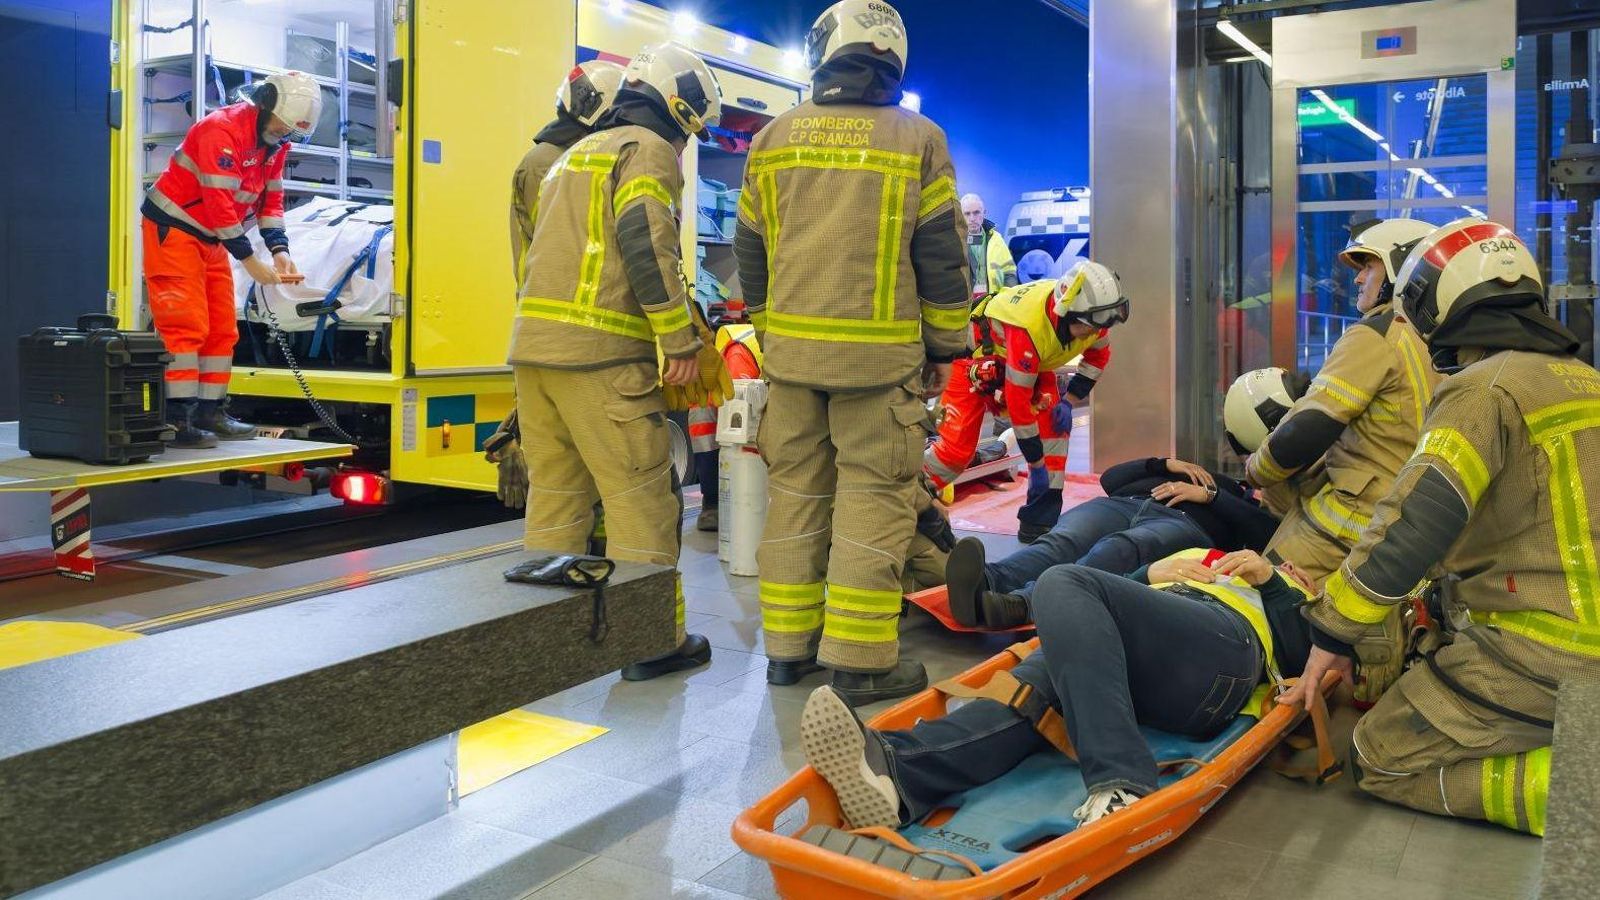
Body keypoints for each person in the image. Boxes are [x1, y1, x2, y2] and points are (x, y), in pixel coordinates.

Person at [1285, 219, 1600, 836]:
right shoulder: (1587, 380)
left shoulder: (1482, 390)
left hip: (1545, 658)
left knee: (1378, 756)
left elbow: (1413, 524)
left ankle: (1576, 796)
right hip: (1574, 648)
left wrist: (1332, 634)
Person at [735, 0, 972, 703]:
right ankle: (862, 660)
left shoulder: (773, 138)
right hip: (881, 367)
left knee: (796, 497)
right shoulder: (919, 138)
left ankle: (788, 650)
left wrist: (771, 330)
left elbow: (749, 249)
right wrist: (945, 347)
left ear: (823, 52)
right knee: (875, 499)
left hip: (792, 365)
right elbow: (942, 256)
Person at [800, 548, 1318, 829]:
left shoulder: (1285, 588)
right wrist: (1148, 571)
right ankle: (900, 775)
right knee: (1028, 694)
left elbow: (1304, 658)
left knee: (1063, 580)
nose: (1293, 565)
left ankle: (1122, 781)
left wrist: (1274, 581)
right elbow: (1102, 610)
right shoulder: (1197, 554)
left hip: (1220, 653)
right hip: (1133, 652)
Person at [509, 42, 724, 681]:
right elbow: (645, 241)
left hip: (536, 353)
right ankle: (649, 642)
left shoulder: (574, 154)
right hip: (599, 357)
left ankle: (544, 637)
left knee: (557, 498)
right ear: (676, 107)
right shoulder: (646, 149)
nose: (685, 145)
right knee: (642, 501)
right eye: (689, 131)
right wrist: (678, 341)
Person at [1242, 217, 1440, 704]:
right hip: (1413, 529)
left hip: (1343, 529)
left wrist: (1257, 470)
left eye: (1368, 266)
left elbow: (1306, 429)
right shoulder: (1437, 339)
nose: (1357, 279)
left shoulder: (1377, 334)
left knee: (1252, 608)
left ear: (1400, 270)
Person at [142, 71, 322, 448]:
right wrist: (251, 260)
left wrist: (280, 251)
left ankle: (210, 413)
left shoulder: (275, 144)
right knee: (184, 326)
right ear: (265, 104)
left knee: (223, 328)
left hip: (211, 236)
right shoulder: (220, 131)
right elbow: (220, 204)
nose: (284, 133)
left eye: (290, 129)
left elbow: (271, 201)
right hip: (174, 228)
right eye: (282, 124)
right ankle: (177, 419)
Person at [490, 60, 626, 515]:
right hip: (573, 337)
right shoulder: (554, 163)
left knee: (572, 483)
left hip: (551, 334)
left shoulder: (549, 158)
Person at [944, 455, 1283, 628]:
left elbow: (1264, 531)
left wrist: (1210, 495)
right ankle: (988, 580)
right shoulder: (1175, 468)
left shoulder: (1236, 497)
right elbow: (1111, 479)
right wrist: (1164, 463)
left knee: (1120, 548)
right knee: (1063, 541)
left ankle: (1021, 604)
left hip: (1183, 523)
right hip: (1124, 504)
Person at [923, 262, 1127, 545]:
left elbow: (1098, 359)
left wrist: (1069, 401)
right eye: (1091, 325)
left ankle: (1039, 524)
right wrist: (1036, 463)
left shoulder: (1092, 321)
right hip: (971, 361)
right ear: (1068, 313)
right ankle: (911, 494)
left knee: (1054, 435)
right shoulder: (1029, 328)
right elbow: (1019, 405)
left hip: (1026, 362)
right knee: (956, 452)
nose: (1097, 333)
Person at [961, 193, 1017, 300]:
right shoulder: (954, 241)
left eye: (976, 212)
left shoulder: (996, 239)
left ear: (984, 213)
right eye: (967, 214)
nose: (972, 218)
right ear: (961, 215)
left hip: (993, 302)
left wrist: (1007, 297)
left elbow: (1009, 271)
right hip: (964, 303)